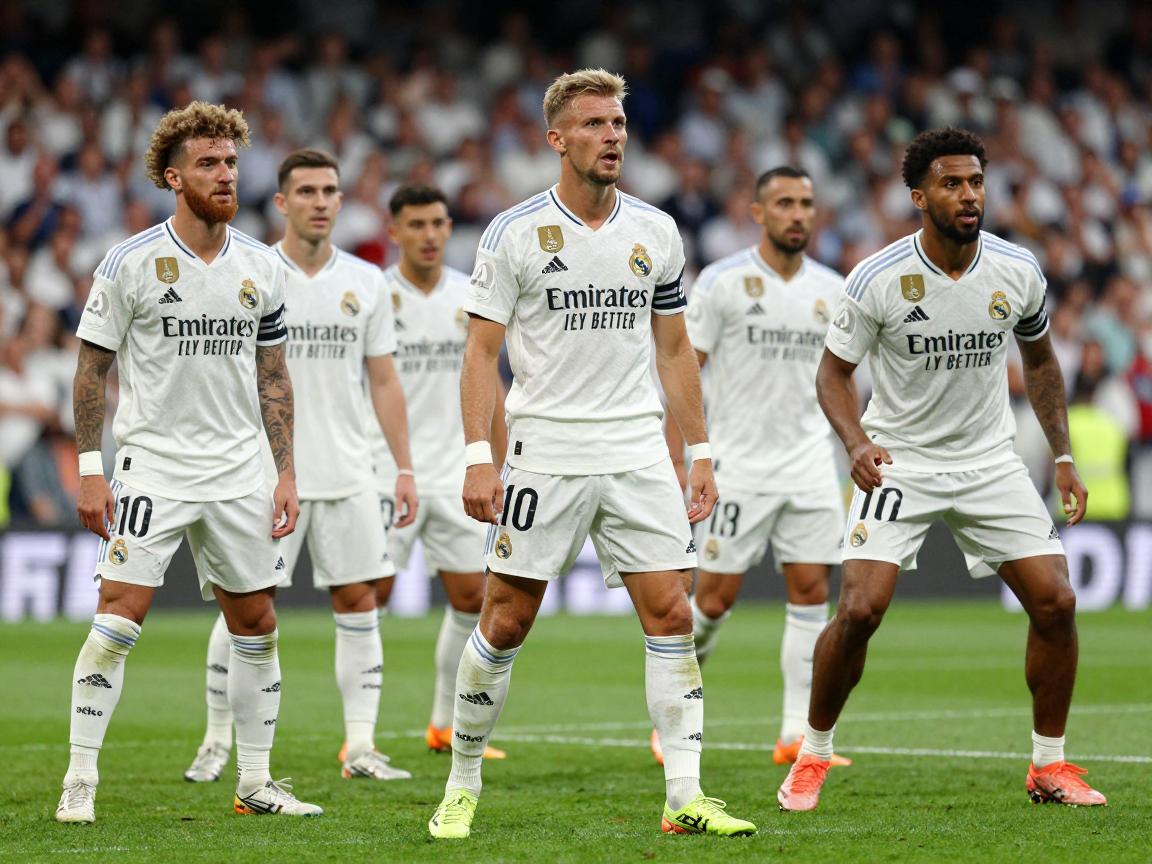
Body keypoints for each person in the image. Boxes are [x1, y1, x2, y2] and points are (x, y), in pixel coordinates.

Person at [427, 68, 757, 840]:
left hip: (637, 447)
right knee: (505, 619)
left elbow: (674, 350)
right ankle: (461, 784)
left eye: (618, 123)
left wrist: (699, 451)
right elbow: (480, 355)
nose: (613, 137)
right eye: (594, 124)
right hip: (546, 448)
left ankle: (684, 796)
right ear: (557, 139)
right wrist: (478, 455)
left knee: (672, 611)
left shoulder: (656, 230)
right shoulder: (514, 233)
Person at [777, 127, 1106, 811]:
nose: (968, 195)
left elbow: (1041, 363)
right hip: (900, 462)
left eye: (976, 182)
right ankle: (812, 754)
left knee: (1057, 602)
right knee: (860, 609)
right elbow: (832, 375)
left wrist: (1063, 457)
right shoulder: (878, 278)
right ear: (919, 197)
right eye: (951, 184)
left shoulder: (1016, 269)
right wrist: (856, 443)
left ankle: (1049, 766)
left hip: (989, 462)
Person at [57, 102, 322, 823]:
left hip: (239, 470)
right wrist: (91, 469)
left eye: (231, 162)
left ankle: (255, 782)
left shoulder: (262, 266)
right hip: (155, 466)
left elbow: (274, 376)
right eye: (208, 163)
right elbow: (91, 371)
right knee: (119, 616)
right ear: (174, 178)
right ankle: (80, 779)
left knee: (257, 622)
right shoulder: (131, 262)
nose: (225, 174)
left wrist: (285, 472)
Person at [182, 149, 418, 785]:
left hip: (348, 468)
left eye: (329, 190)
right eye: (307, 191)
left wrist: (403, 468)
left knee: (359, 601)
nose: (320, 201)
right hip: (265, 475)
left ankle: (361, 747)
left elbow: (384, 381)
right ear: (282, 202)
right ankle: (216, 739)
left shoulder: (367, 282)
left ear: (342, 200)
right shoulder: (254, 271)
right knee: (247, 606)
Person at [656, 166, 850, 768]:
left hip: (810, 464)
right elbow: (683, 372)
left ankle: (795, 733)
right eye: (785, 203)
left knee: (811, 594)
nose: (798, 214)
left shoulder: (834, 289)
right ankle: (672, 713)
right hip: (737, 465)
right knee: (713, 601)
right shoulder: (723, 283)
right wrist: (677, 457)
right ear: (759, 213)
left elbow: (844, 379)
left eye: (806, 203)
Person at [364, 184, 508, 760]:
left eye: (438, 223)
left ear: (450, 228)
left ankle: (444, 725)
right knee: (368, 599)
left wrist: (503, 460)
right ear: (394, 231)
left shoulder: (471, 294)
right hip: (385, 469)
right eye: (417, 224)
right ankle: (360, 737)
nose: (429, 235)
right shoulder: (373, 294)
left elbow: (490, 384)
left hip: (457, 470)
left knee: (472, 598)